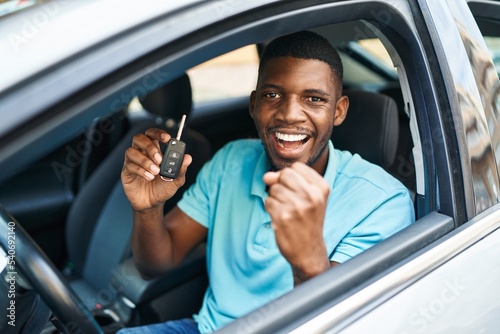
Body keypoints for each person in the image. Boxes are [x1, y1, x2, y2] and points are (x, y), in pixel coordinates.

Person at [119, 31, 415, 334]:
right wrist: (148, 208)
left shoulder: (381, 201)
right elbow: (154, 265)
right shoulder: (231, 160)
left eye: (313, 99)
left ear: (337, 111)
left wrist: (308, 259)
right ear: (253, 104)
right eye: (272, 95)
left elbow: (337, 325)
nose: (289, 115)